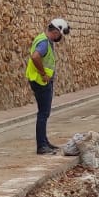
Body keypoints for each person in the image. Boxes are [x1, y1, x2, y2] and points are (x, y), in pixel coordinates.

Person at [26, 18, 70, 154]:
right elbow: (35, 57)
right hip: (41, 81)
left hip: (39, 80)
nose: (60, 38)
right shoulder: (44, 43)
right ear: (56, 31)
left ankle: (44, 142)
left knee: (44, 113)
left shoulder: (43, 39)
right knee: (43, 114)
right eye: (60, 35)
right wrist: (43, 73)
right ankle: (41, 146)